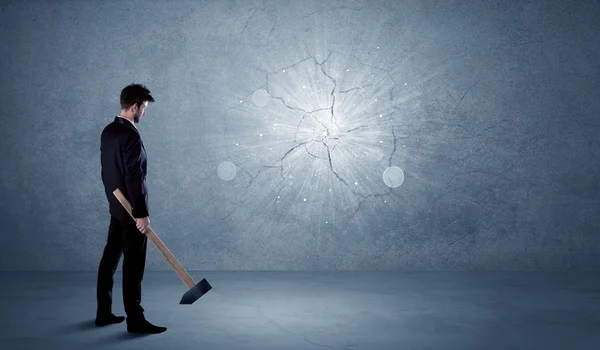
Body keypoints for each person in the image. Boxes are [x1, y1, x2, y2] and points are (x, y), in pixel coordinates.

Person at [96, 83, 166, 334]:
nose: (145, 113)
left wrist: (114, 203)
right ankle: (135, 320)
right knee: (133, 265)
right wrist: (141, 213)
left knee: (110, 259)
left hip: (116, 208)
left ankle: (102, 313)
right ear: (135, 106)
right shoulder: (130, 134)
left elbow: (106, 172)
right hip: (131, 212)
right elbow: (135, 176)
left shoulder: (108, 131)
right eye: (144, 108)